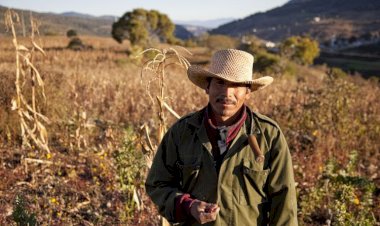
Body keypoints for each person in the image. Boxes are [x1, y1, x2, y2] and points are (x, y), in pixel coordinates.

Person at [145, 49, 298, 226]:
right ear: (207, 87)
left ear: (248, 91)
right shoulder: (181, 133)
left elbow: (284, 201)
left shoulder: (269, 135)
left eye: (236, 85)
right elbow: (157, 184)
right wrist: (189, 205)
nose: (227, 93)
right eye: (220, 82)